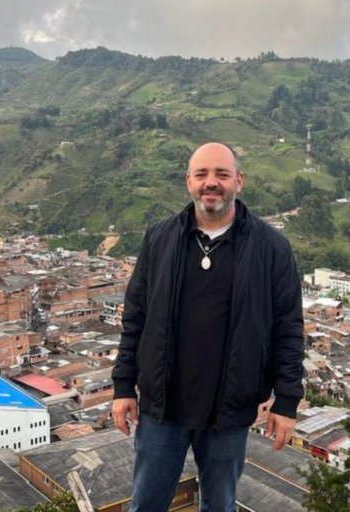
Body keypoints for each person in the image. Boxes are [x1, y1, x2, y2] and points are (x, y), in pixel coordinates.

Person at [111, 142, 305, 512]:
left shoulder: (272, 248)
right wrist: (123, 386)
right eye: (201, 174)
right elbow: (135, 317)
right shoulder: (159, 238)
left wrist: (287, 400)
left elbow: (288, 329)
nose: (211, 182)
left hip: (229, 410)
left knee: (219, 506)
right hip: (162, 405)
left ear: (239, 181)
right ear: (189, 181)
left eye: (222, 174)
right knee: (146, 504)